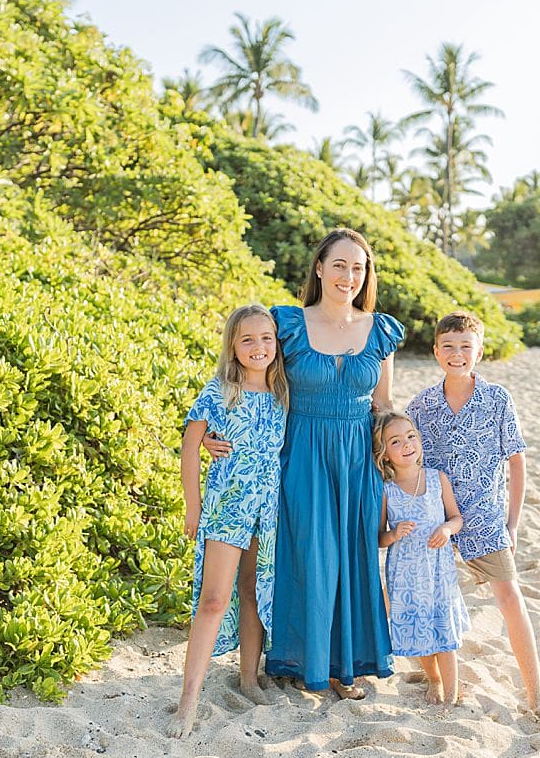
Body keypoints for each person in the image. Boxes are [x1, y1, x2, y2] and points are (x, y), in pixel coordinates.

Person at [204, 228, 403, 699]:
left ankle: (337, 666)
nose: (348, 276)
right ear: (319, 267)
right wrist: (217, 429)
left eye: (358, 268)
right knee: (306, 557)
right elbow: (250, 374)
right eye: (339, 265)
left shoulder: (380, 329)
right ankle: (296, 659)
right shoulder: (288, 323)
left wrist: (404, 453)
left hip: (356, 459)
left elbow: (384, 401)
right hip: (300, 454)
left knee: (349, 561)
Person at [406, 311, 540, 720]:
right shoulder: (421, 404)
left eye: (465, 347)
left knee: (510, 597)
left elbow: (517, 463)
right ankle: (436, 679)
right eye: (448, 347)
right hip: (434, 515)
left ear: (480, 352)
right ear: (436, 351)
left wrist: (513, 523)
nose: (457, 354)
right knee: (425, 599)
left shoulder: (497, 399)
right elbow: (399, 449)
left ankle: (535, 694)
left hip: (485, 516)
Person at [166, 304, 288, 739]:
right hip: (227, 504)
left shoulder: (284, 391)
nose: (258, 347)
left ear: (277, 342)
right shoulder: (219, 389)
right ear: (233, 346)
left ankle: (249, 679)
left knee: (254, 590)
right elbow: (190, 446)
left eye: (266, 338)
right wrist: (192, 505)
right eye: (247, 339)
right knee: (214, 599)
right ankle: (188, 701)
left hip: (269, 506)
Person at [374, 411, 469, 706]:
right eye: (395, 441)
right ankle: (434, 678)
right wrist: (394, 533)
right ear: (385, 454)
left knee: (443, 632)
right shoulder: (386, 491)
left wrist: (446, 528)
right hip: (405, 575)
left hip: (438, 571)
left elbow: (456, 518)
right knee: (422, 636)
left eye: (410, 436)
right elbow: (379, 538)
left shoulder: (436, 478)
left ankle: (452, 692)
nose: (406, 444)